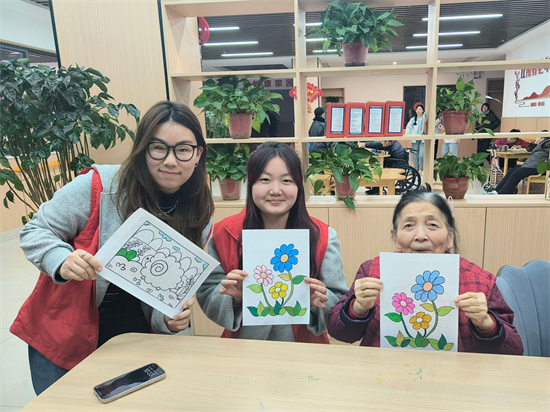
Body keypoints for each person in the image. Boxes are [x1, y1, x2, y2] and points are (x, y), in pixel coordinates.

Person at [10, 101, 215, 395]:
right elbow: (35, 230)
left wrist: (168, 319)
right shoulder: (99, 186)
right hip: (65, 330)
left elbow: (167, 293)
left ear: (198, 154)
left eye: (183, 149)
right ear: (143, 149)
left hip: (135, 337)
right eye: (158, 148)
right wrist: (62, 260)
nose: (170, 161)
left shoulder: (199, 213)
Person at [327, 190, 523, 355]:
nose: (420, 236)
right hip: (384, 376)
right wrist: (358, 308)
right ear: (395, 237)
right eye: (409, 226)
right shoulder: (373, 272)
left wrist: (486, 323)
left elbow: (514, 350)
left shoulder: (480, 281)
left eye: (432, 225)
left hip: (457, 380)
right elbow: (339, 333)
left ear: (450, 238)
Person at [197, 141, 348, 343]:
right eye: (265, 179)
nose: (275, 190)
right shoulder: (223, 233)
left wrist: (318, 300)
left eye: (286, 180)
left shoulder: (323, 236)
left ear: (299, 186)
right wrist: (233, 297)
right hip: (243, 347)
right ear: (251, 183)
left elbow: (339, 303)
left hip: (306, 349)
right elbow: (207, 293)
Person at [405, 102, 427, 172]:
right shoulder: (413, 119)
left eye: (420, 109)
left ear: (422, 110)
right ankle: (415, 170)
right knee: (415, 155)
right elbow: (408, 128)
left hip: (422, 140)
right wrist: (408, 136)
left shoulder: (425, 119)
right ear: (415, 110)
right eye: (417, 109)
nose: (418, 111)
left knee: (421, 155)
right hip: (415, 140)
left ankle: (422, 170)